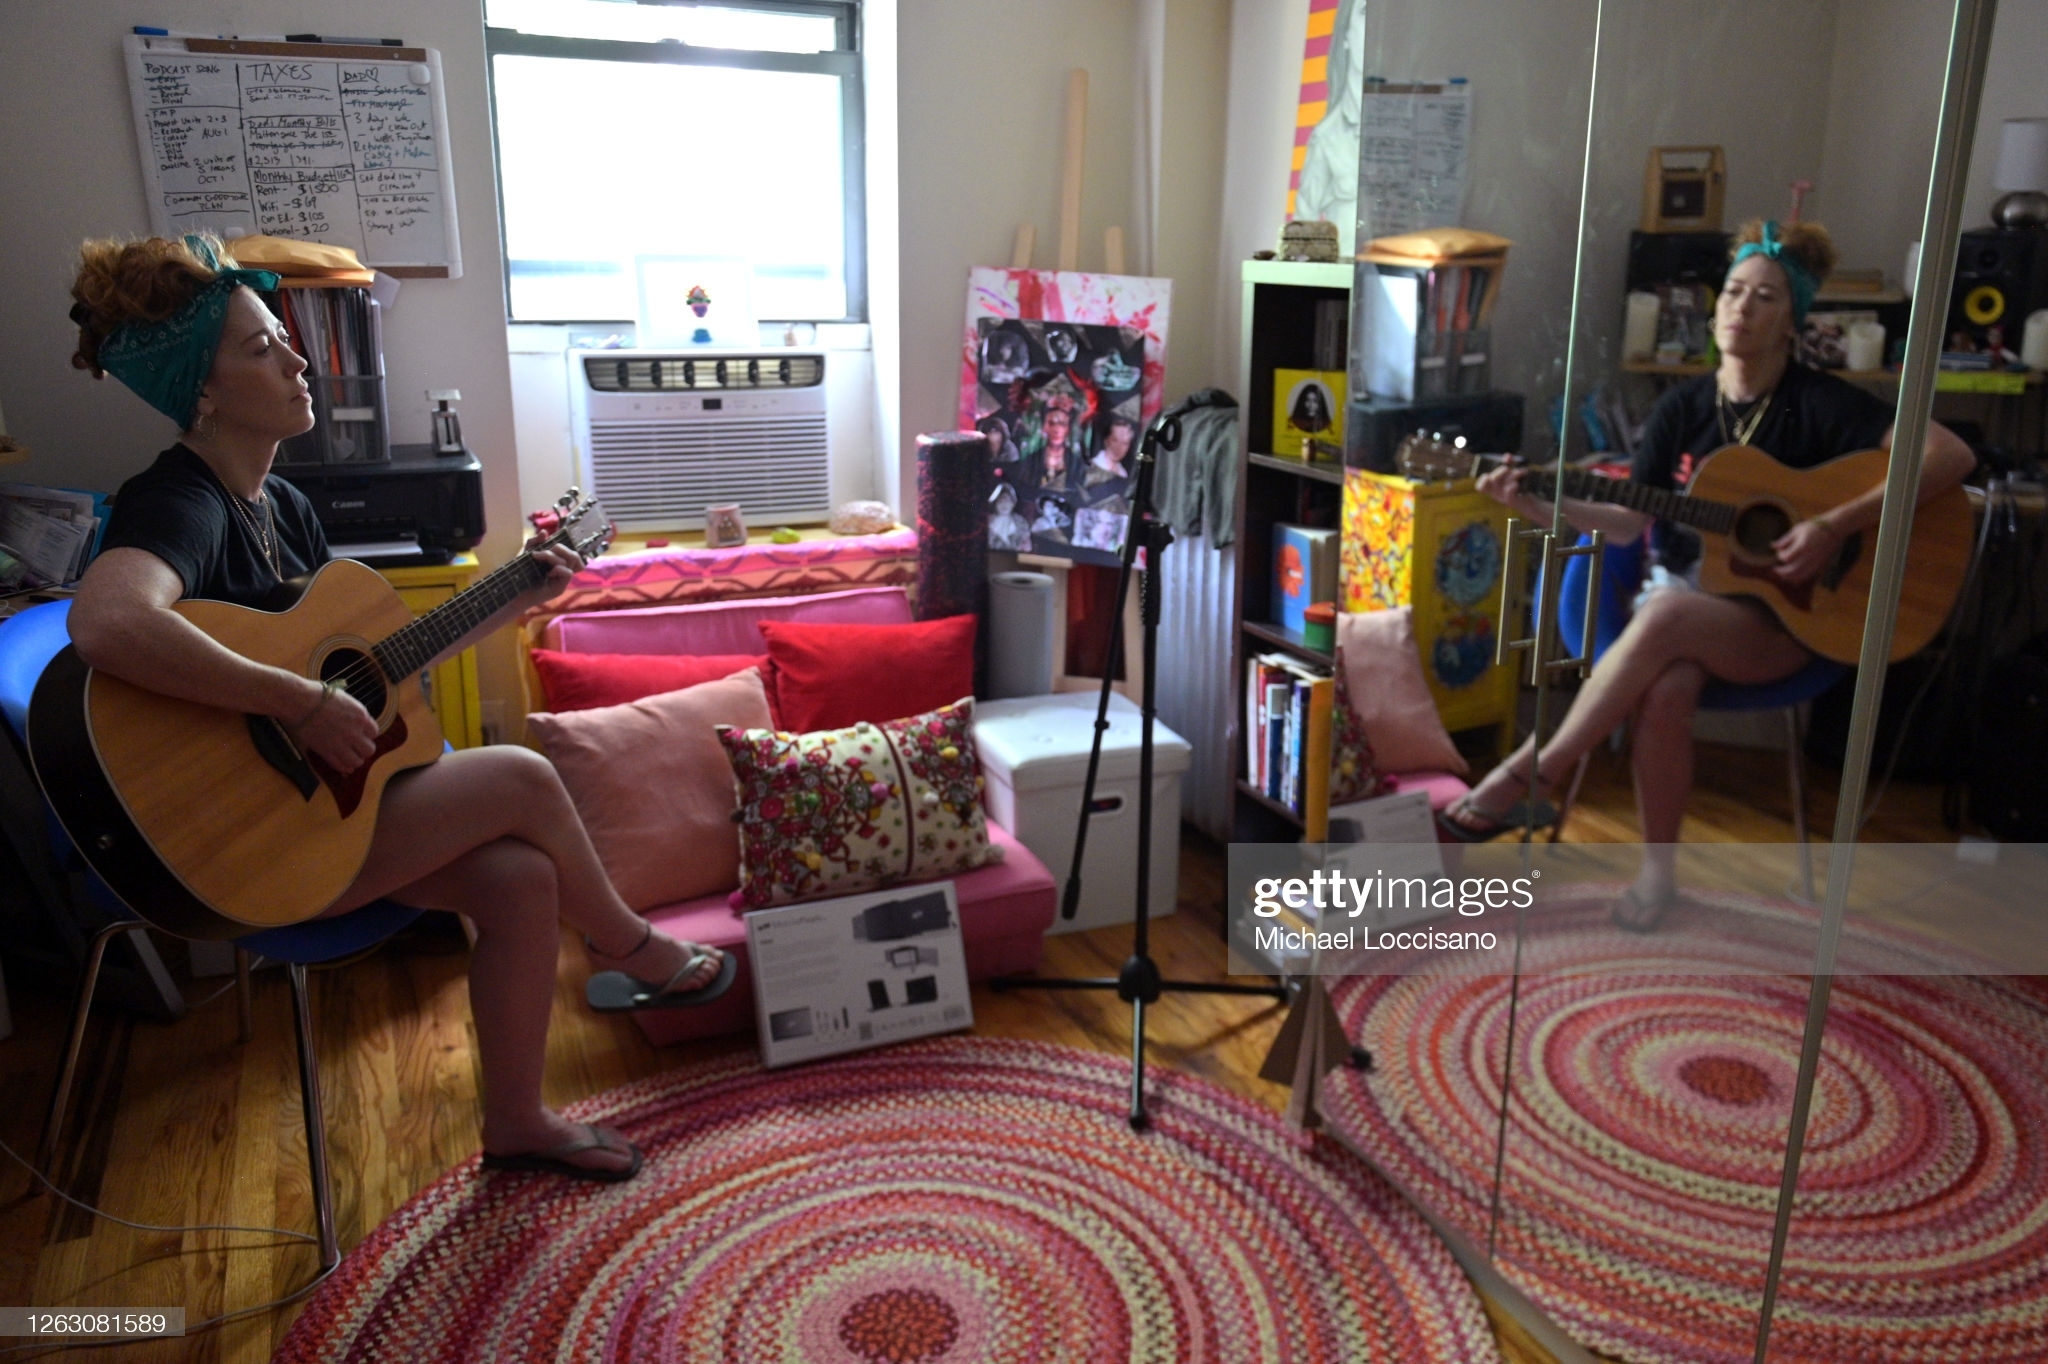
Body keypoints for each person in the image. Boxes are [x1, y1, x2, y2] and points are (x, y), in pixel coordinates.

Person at [65, 235, 730, 1180]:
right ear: (202, 393)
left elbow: (373, 669)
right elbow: (107, 622)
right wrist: (295, 700)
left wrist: (518, 594)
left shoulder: (281, 505)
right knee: (520, 774)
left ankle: (517, 1121)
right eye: (261, 348)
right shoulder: (181, 501)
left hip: (316, 818)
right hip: (243, 848)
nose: (297, 361)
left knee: (520, 881)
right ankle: (630, 945)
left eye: (284, 339)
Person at [1444, 220, 1976, 929]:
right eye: (1732, 291)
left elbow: (1951, 455)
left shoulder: (1820, 403)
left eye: (1765, 297)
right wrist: (1540, 504)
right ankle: (1657, 877)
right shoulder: (1683, 408)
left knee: (1663, 616)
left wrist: (1833, 525)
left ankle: (1535, 768)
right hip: (1688, 605)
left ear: (1792, 321)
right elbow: (1630, 524)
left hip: (1792, 620)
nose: (1741, 308)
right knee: (1667, 686)